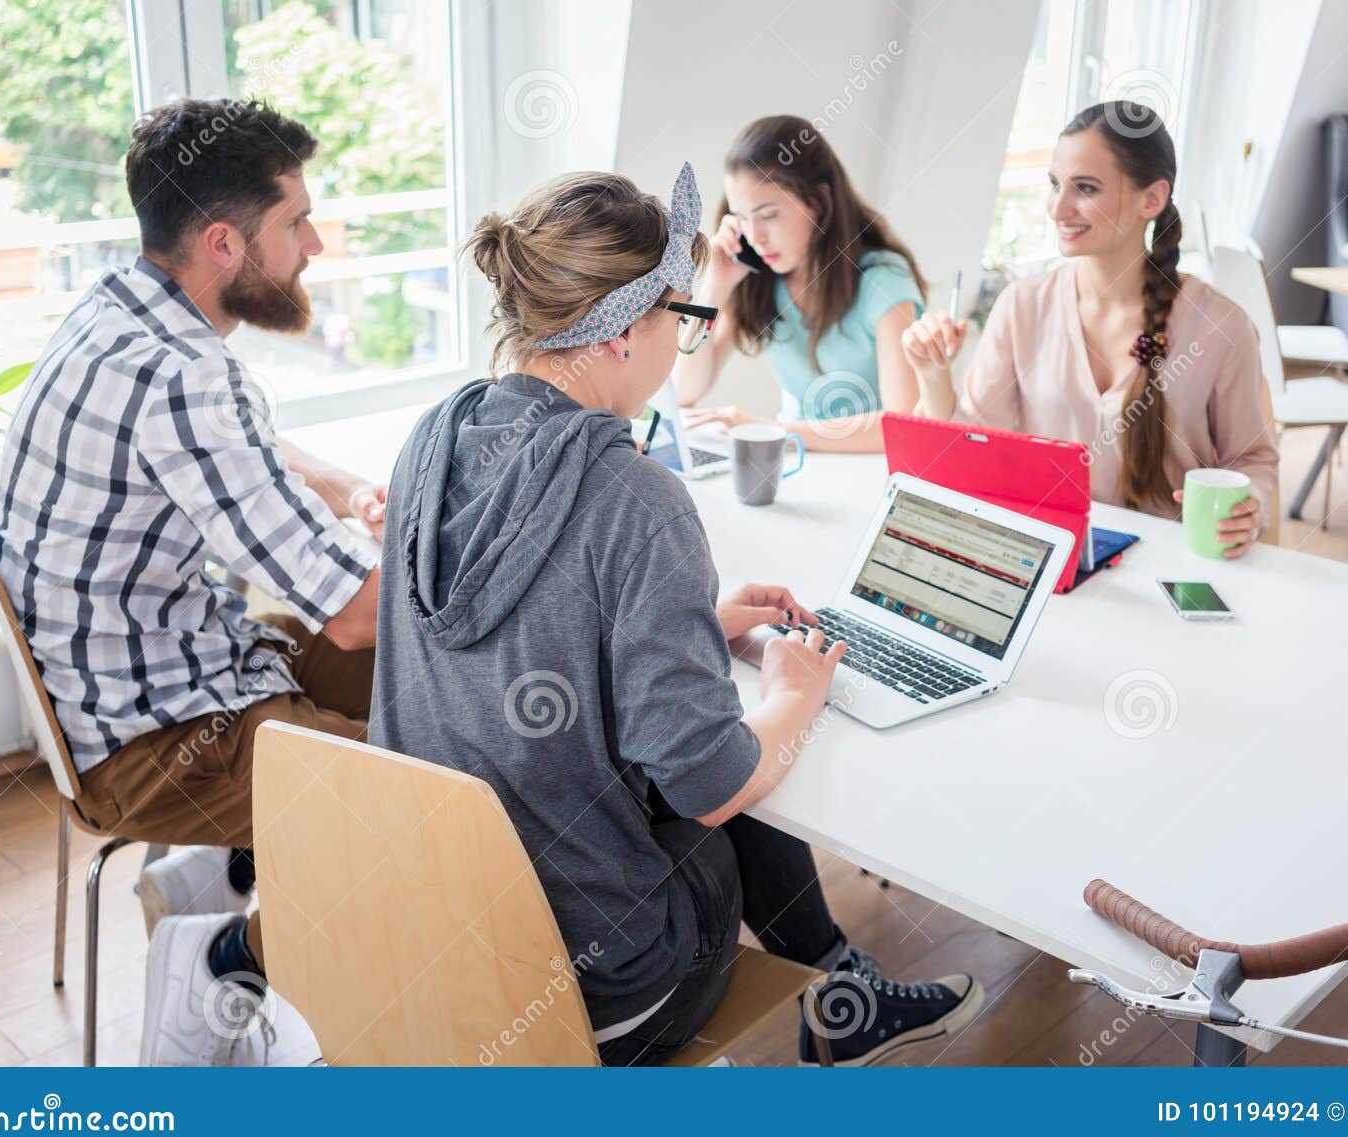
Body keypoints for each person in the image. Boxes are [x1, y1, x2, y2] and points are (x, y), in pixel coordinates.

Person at [369, 162, 982, 1066]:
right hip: (596, 986)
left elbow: (504, 637)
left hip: (431, 932)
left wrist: (683, 624)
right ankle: (842, 999)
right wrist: (793, 691)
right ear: (624, 332)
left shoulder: (434, 438)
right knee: (742, 793)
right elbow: (712, 782)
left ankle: (846, 994)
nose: (685, 347)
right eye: (687, 320)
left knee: (679, 742)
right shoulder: (638, 497)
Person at [0, 98, 385, 1065]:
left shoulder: (115, 310)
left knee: (418, 691)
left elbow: (230, 445)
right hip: (148, 740)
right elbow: (356, 614)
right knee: (428, 788)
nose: (315, 243)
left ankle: (215, 876)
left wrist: (339, 487)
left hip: (124, 685)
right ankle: (219, 959)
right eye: (295, 222)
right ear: (223, 242)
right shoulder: (189, 380)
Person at [903, 101, 1278, 555]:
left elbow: (1253, 462)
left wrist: (1250, 504)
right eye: (1055, 184)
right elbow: (973, 456)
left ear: (1152, 199)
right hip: (1054, 562)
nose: (1059, 209)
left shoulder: (1221, 326)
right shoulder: (1021, 307)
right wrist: (933, 375)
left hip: (1174, 570)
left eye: (1085, 188)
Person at [673, 115, 950, 453]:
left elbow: (899, 424)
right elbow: (685, 390)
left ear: (817, 202)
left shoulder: (883, 279)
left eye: (768, 215)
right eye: (742, 217)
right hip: (795, 459)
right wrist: (714, 289)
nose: (755, 236)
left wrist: (773, 430)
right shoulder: (759, 277)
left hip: (862, 467)